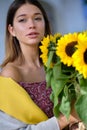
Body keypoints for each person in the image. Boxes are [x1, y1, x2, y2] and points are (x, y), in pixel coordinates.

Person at [0, 0, 79, 129]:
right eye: (22, 20)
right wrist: (65, 120)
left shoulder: (60, 64)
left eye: (37, 18)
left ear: (45, 24)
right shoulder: (9, 75)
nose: (31, 25)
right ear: (12, 30)